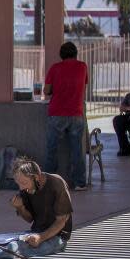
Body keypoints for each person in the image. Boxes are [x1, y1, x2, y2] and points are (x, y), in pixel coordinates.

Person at [43, 41, 89, 191]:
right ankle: (80, 182)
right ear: (76, 53)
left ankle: (49, 182)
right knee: (77, 150)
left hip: (57, 113)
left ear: (61, 54)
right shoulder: (83, 67)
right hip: (76, 113)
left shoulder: (55, 68)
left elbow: (47, 90)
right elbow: (84, 85)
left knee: (52, 148)